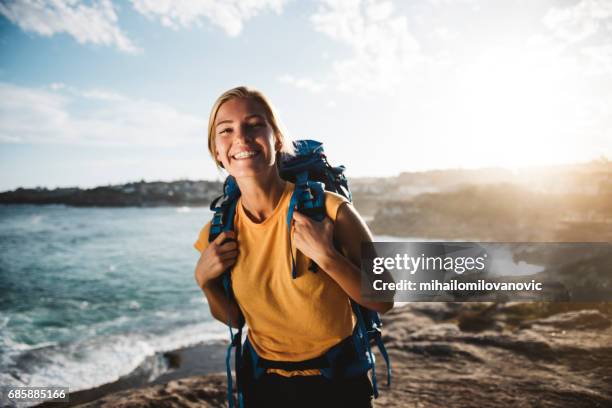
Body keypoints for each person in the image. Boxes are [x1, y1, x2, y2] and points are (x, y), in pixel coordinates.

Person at [193, 86, 393, 408]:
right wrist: (204, 281)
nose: (241, 138)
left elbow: (384, 298)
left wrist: (326, 257)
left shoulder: (330, 209)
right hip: (264, 386)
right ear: (217, 151)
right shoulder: (217, 231)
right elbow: (235, 320)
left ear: (277, 139)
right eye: (226, 130)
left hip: (337, 385)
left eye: (255, 124)